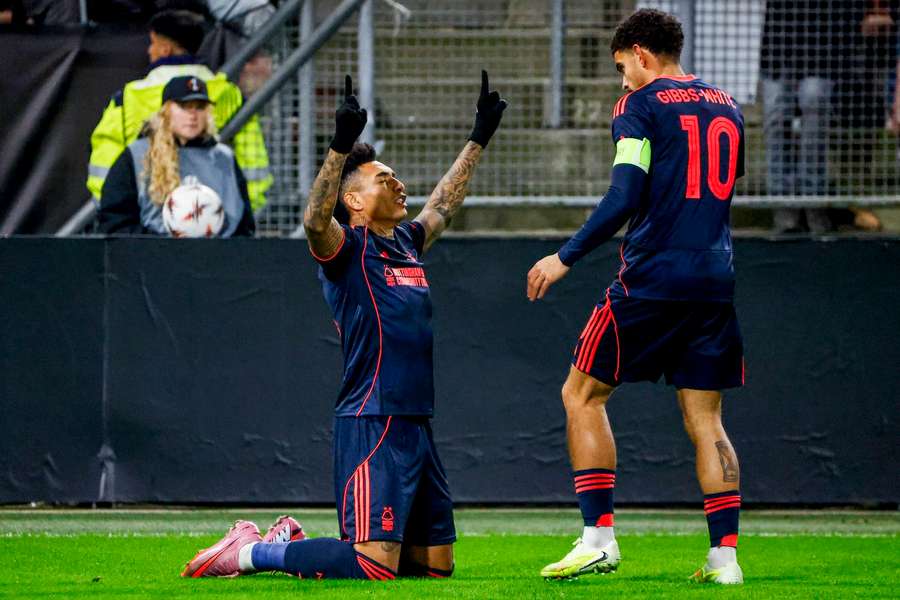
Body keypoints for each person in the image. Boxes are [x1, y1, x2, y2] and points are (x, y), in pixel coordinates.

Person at [181, 72, 507, 580]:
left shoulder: (404, 243)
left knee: (434, 568)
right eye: (384, 179)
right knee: (373, 566)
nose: (399, 183)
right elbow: (314, 220)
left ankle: (286, 539)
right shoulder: (345, 251)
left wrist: (479, 136)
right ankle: (248, 552)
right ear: (353, 201)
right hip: (371, 419)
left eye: (396, 176)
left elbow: (443, 204)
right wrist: (339, 146)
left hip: (417, 420)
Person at [526, 10, 745, 585]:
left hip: (652, 277)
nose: (622, 81)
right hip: (715, 279)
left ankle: (598, 539)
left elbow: (625, 195)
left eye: (623, 67)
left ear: (642, 54)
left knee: (581, 394)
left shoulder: (638, 107)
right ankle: (726, 560)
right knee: (707, 419)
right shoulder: (728, 104)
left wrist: (564, 255)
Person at [87, 9, 272, 212]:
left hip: (146, 221)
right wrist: (238, 216)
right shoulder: (231, 95)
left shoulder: (128, 99)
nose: (149, 50)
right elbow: (253, 162)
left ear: (165, 49)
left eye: (153, 43)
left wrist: (117, 213)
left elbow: (104, 163)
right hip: (214, 220)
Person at [97, 75, 254, 236]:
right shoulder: (137, 155)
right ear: (166, 110)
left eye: (199, 107)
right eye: (184, 106)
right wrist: (155, 245)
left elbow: (244, 224)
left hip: (216, 256)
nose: (192, 115)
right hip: (153, 256)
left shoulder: (224, 158)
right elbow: (115, 221)